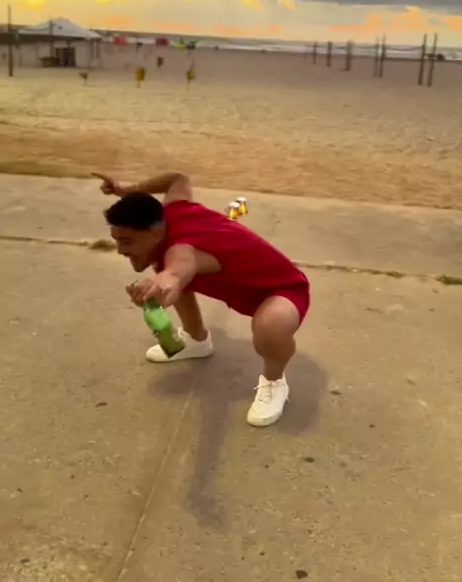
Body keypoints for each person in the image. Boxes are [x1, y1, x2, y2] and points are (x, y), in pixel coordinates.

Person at [94, 171, 310, 427]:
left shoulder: (181, 250)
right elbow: (177, 179)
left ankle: (274, 382)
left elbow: (176, 274)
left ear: (156, 231)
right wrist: (128, 190)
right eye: (117, 240)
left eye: (128, 242)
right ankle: (196, 340)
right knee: (161, 262)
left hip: (283, 290)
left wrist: (159, 288)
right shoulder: (174, 208)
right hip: (239, 284)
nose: (120, 250)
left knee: (270, 328)